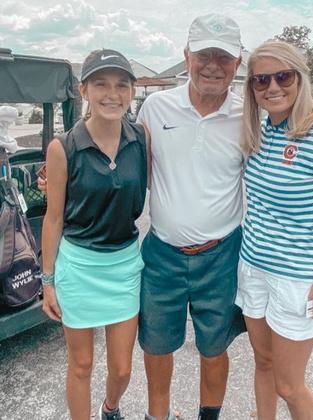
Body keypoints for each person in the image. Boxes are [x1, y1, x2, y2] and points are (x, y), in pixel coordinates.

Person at [237, 40, 313, 420]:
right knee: (263, 363)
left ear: (300, 78)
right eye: (261, 80)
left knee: (289, 385)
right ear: (252, 88)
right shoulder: (260, 131)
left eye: (283, 76)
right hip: (254, 267)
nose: (272, 87)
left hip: (297, 278)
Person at [137, 14, 246, 420]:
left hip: (222, 254)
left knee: (214, 347)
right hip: (161, 253)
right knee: (156, 345)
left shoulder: (248, 114)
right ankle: (157, 415)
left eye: (224, 57)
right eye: (204, 55)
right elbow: (128, 164)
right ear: (186, 56)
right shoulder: (155, 107)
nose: (213, 65)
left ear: (237, 63)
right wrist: (63, 170)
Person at [41, 49, 147, 420]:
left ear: (132, 91)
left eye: (121, 85)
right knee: (81, 364)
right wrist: (48, 281)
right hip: (79, 268)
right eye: (100, 84)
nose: (111, 94)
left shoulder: (142, 139)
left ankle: (110, 408)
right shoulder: (63, 147)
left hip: (124, 266)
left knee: (122, 369)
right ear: (83, 90)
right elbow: (54, 219)